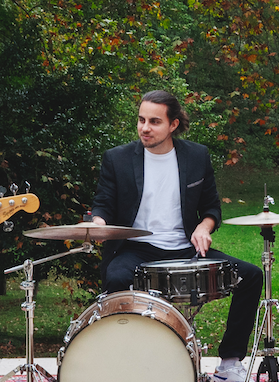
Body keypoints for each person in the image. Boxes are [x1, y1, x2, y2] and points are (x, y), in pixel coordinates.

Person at [89, 90, 265, 382]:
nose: (145, 127)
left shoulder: (196, 156)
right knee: (116, 278)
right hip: (137, 248)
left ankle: (230, 361)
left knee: (251, 276)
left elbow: (211, 207)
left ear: (173, 124)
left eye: (154, 121)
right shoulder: (117, 159)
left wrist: (204, 226)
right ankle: (125, 361)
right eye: (141, 120)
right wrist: (98, 223)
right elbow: (103, 204)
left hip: (185, 248)